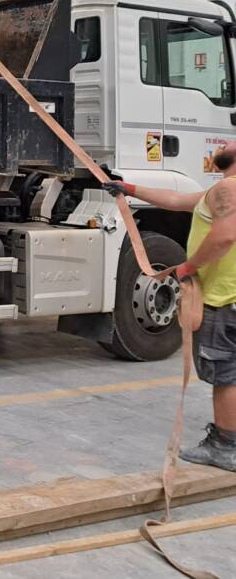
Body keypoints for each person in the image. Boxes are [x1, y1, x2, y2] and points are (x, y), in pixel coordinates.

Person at [102, 139, 236, 472]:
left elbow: (225, 236)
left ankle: (225, 446)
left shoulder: (228, 189)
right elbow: (176, 200)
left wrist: (187, 268)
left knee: (226, 376)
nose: (224, 141)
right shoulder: (217, 192)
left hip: (223, 298)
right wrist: (127, 187)